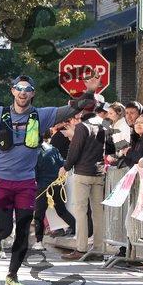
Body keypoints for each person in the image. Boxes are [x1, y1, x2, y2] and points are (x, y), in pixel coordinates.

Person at [0, 74, 101, 285]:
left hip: (26, 182)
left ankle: (12, 275)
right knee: (4, 227)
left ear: (32, 93)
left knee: (22, 230)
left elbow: (74, 108)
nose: (23, 92)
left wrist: (90, 91)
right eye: (19, 88)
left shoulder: (42, 115)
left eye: (27, 89)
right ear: (12, 91)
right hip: (2, 180)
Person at [59, 102, 107, 260]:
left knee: (81, 211)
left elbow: (75, 150)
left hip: (83, 172)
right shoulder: (104, 125)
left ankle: (81, 248)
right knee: (98, 213)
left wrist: (66, 167)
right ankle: (98, 249)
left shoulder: (82, 127)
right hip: (99, 172)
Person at [34, 131, 76, 251]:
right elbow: (62, 163)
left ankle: (38, 241)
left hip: (44, 186)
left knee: (39, 214)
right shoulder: (53, 149)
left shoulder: (35, 153)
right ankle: (79, 229)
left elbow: (34, 172)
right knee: (61, 210)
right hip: (57, 184)